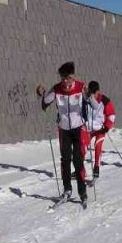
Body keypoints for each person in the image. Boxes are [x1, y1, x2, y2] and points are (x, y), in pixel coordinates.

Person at [37, 62, 89, 204]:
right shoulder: (56, 89)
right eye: (63, 78)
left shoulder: (81, 87)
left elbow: (91, 100)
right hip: (64, 129)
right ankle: (67, 189)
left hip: (78, 128)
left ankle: (82, 190)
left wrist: (89, 94)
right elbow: (44, 104)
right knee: (65, 159)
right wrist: (41, 93)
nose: (65, 81)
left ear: (73, 77)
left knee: (78, 160)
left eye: (68, 78)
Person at [81, 81, 116, 182]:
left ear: (98, 92)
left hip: (100, 128)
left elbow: (111, 115)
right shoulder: (85, 99)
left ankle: (96, 168)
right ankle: (81, 170)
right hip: (88, 128)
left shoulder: (104, 100)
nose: (92, 95)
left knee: (98, 145)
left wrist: (107, 127)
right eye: (90, 93)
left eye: (94, 93)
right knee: (82, 147)